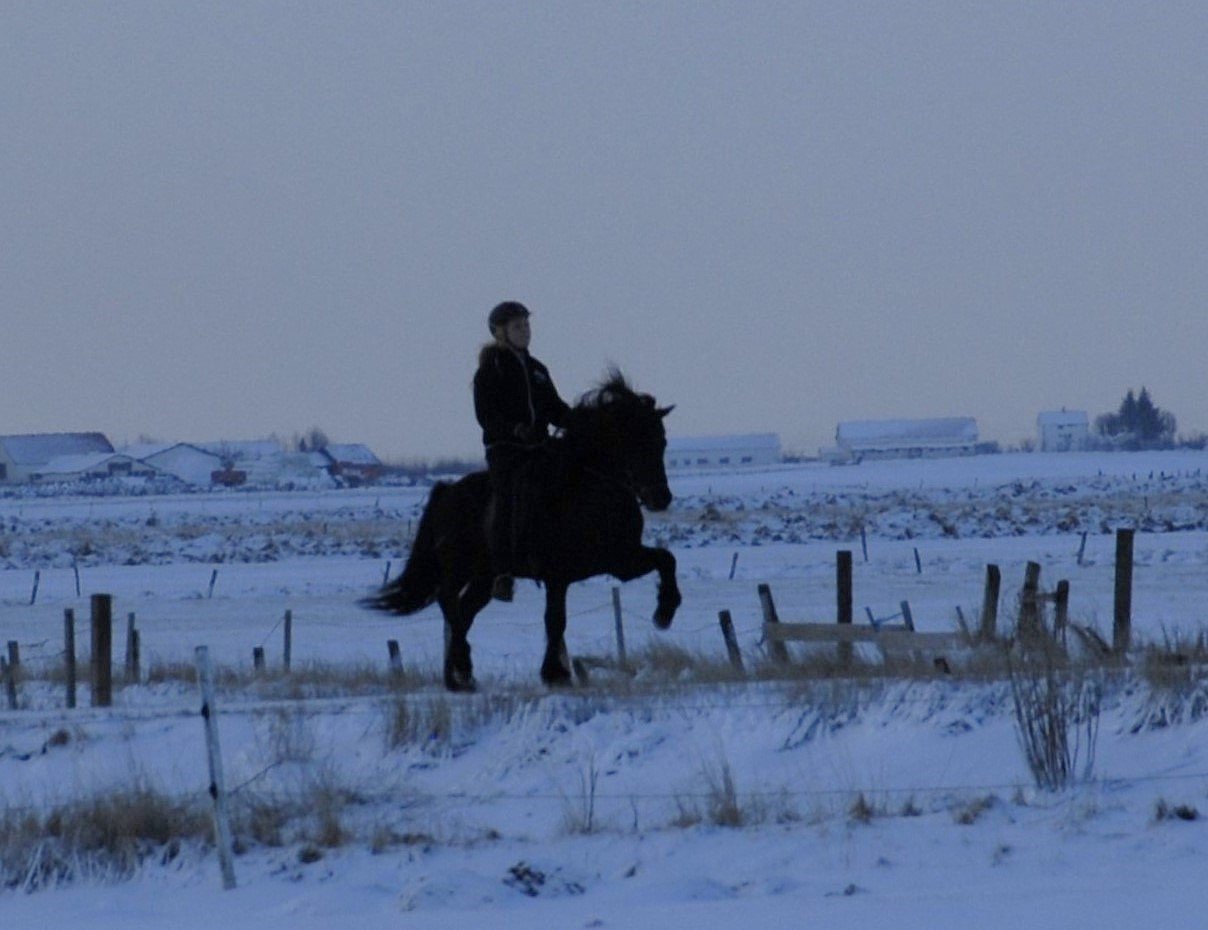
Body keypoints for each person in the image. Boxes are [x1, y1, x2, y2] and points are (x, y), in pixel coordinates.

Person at [473, 301, 570, 601]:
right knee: (507, 495)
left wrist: (580, 421)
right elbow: (486, 415)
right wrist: (514, 430)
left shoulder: (538, 369)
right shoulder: (490, 370)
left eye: (527, 325)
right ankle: (502, 572)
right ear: (500, 333)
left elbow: (555, 407)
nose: (525, 331)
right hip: (506, 450)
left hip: (539, 445)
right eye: (518, 326)